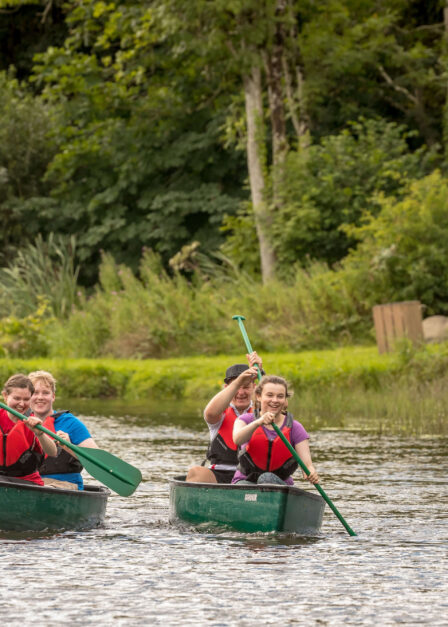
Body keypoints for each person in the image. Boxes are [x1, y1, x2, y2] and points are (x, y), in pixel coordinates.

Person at [185, 352, 263, 484]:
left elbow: (274, 402)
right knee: (195, 472)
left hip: (251, 476)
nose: (241, 392)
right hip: (220, 474)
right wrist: (239, 381)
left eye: (246, 387)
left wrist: (261, 373)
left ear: (254, 388)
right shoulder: (220, 412)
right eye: (237, 387)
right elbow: (210, 414)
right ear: (227, 389)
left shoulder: (261, 410)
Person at [232, 374, 319, 486]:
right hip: (246, 482)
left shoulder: (295, 427)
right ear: (259, 396)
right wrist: (259, 421)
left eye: (280, 396)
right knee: (244, 485)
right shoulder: (244, 420)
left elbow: (307, 465)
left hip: (279, 488)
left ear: (285, 400)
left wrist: (311, 473)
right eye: (269, 395)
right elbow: (237, 439)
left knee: (266, 478)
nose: (275, 400)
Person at [28, 370, 99, 490]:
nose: (40, 397)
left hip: (65, 486)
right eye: (35, 393)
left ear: (53, 397)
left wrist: (69, 447)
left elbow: (97, 461)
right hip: (31, 484)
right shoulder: (20, 422)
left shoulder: (71, 423)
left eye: (45, 393)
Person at [0, 373, 57, 486]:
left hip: (27, 482)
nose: (21, 404)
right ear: (5, 396)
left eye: (26, 399)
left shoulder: (32, 423)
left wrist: (40, 434)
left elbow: (53, 452)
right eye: (17, 398)